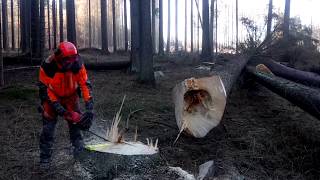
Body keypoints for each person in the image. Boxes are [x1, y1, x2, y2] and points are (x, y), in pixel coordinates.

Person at [38, 41, 93, 170]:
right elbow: (44, 89)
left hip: (70, 96)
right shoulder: (48, 66)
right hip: (51, 97)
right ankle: (45, 158)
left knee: (76, 124)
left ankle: (78, 150)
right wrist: (61, 110)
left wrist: (89, 107)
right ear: (59, 58)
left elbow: (84, 84)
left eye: (72, 60)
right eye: (67, 60)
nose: (69, 63)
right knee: (48, 128)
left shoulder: (77, 64)